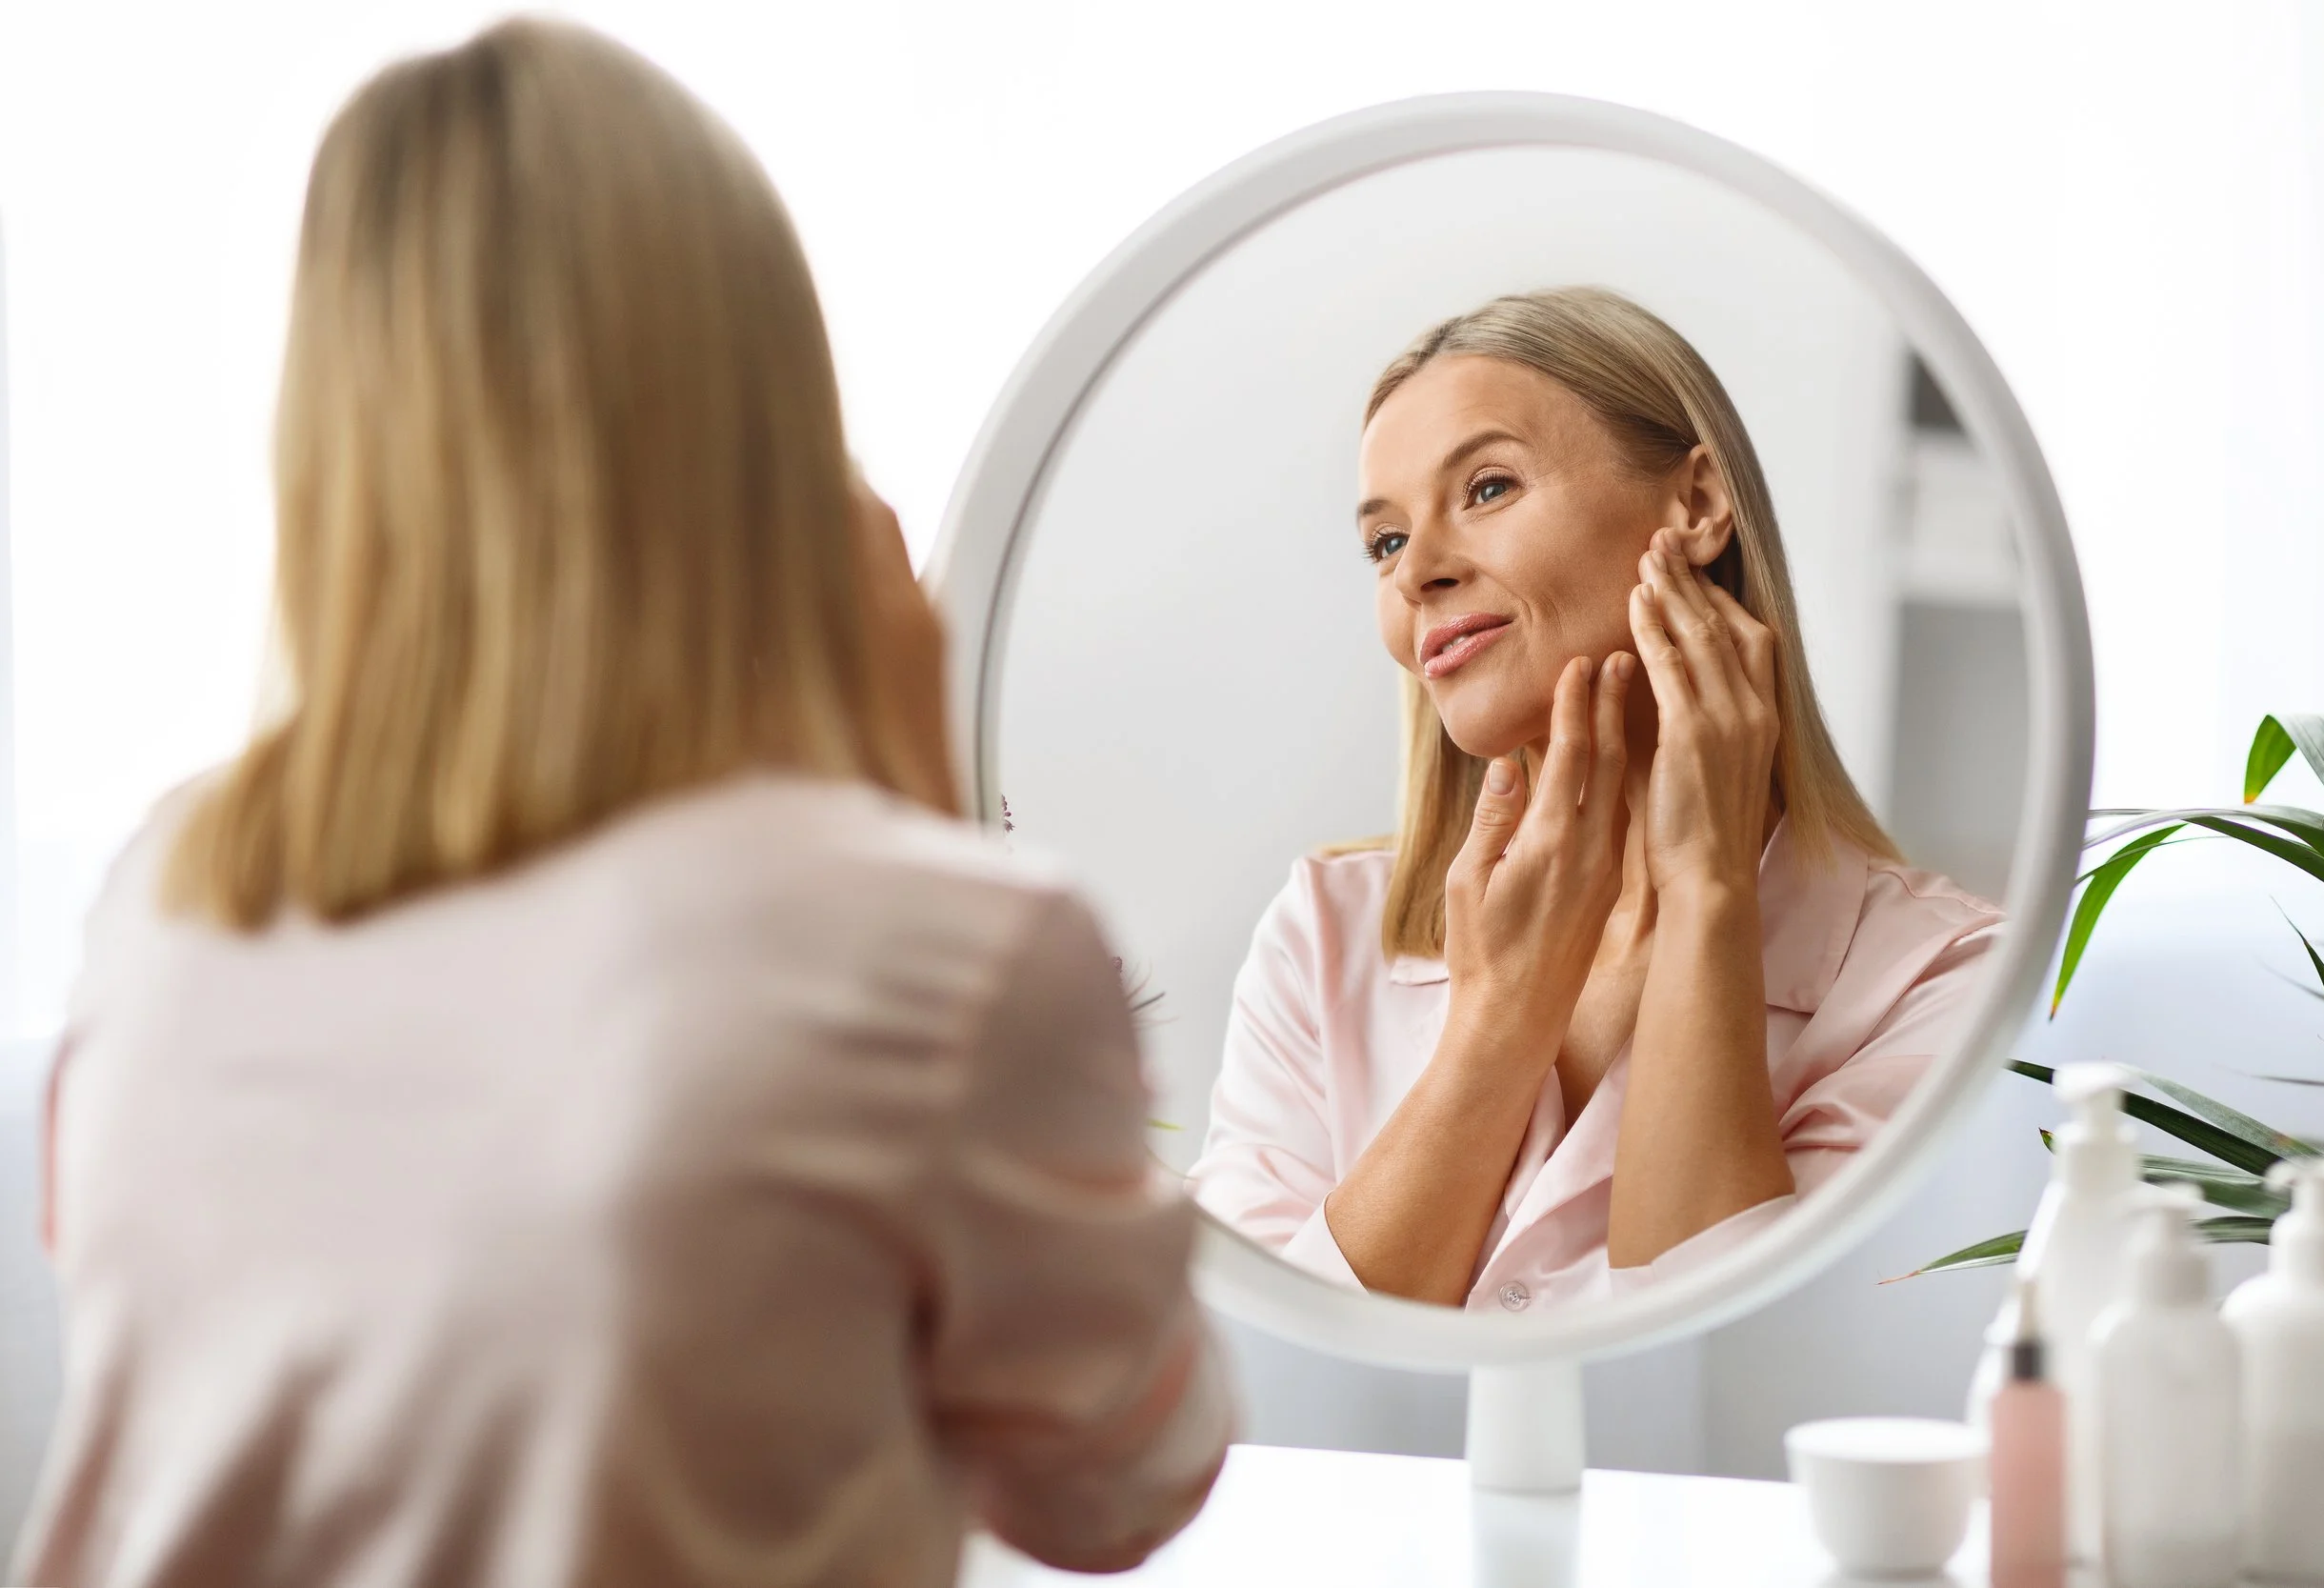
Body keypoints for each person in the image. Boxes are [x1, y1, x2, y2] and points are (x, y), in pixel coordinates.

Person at [18, 20, 1228, 1586]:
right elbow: (1127, 1481)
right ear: (767, 417)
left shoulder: (165, 894)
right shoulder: (939, 947)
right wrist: (915, 814)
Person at [1188, 288, 1999, 1312]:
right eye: (1385, 543)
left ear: (1696, 505)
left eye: (1485, 488)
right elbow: (1267, 1363)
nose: (1419, 574)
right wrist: (1499, 1023)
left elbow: (1732, 1364)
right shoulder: (1321, 935)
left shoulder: (1938, 978)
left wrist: (1704, 894)